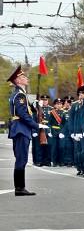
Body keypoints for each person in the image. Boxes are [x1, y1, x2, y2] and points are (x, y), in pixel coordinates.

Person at [7, 65, 46, 196]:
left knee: (21, 158)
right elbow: (23, 114)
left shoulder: (21, 94)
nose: (26, 78)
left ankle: (20, 187)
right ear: (17, 81)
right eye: (23, 77)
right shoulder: (19, 95)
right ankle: (19, 188)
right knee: (21, 159)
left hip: (20, 129)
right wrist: (37, 126)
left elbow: (29, 110)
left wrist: (36, 106)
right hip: (21, 129)